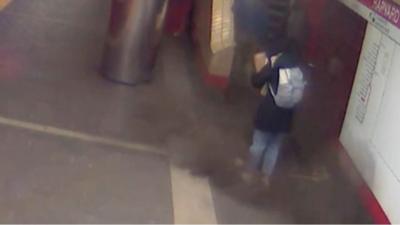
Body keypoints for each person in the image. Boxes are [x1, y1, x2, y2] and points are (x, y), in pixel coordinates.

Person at [247, 38, 303, 185]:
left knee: (258, 145)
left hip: (268, 114)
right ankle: (266, 177)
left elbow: (256, 81)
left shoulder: (275, 66)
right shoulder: (298, 70)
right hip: (285, 118)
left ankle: (250, 173)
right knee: (274, 147)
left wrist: (260, 69)